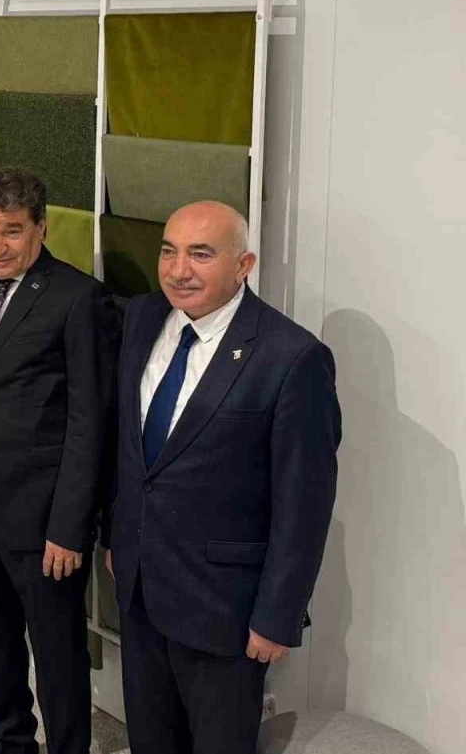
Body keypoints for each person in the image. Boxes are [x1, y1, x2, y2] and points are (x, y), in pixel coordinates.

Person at [105, 201, 341, 754]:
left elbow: (304, 504)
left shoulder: (292, 357)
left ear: (244, 265)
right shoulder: (143, 317)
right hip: (141, 590)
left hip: (225, 610)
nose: (178, 270)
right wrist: (117, 534)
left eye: (201, 254)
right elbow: (131, 450)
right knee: (150, 740)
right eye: (169, 251)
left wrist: (278, 616)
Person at [0, 168, 120, 754]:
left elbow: (91, 424)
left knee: (57, 650)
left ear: (41, 227)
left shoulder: (78, 298)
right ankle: (11, 742)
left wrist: (70, 526)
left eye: (12, 230)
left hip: (44, 517)